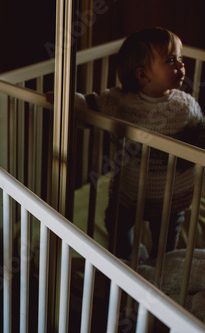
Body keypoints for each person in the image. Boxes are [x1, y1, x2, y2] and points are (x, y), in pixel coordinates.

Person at [77, 27, 204, 260]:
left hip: (170, 196)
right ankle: (126, 260)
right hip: (129, 189)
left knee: (166, 241)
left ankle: (159, 268)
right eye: (171, 60)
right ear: (143, 75)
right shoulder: (121, 101)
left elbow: (200, 137)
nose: (181, 66)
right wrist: (68, 100)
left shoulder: (185, 106)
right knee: (116, 226)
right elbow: (89, 106)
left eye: (181, 59)